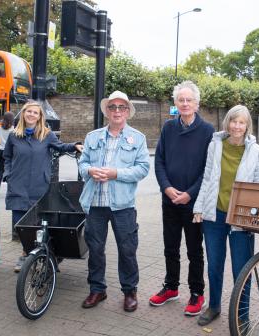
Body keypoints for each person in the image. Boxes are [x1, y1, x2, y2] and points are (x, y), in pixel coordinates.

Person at [192, 105, 259, 326]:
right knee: (214, 264)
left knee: (242, 269)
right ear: (227, 122)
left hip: (241, 218)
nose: (237, 126)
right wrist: (199, 208)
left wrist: (254, 218)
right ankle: (214, 306)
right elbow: (207, 179)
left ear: (247, 126)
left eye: (241, 122)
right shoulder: (215, 145)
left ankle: (242, 315)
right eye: (233, 121)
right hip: (214, 215)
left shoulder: (257, 152)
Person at [78, 90, 149, 313]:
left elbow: (143, 168)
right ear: (107, 111)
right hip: (95, 203)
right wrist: (90, 170)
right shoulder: (93, 136)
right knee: (95, 248)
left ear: (128, 112)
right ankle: (97, 289)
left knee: (127, 249)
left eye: (122, 107)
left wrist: (115, 173)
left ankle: (130, 291)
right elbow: (82, 164)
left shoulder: (138, 138)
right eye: (113, 107)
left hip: (123, 205)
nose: (117, 111)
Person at [149, 81, 214, 316]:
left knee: (195, 250)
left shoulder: (208, 131)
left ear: (197, 103)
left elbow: (208, 169)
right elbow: (159, 161)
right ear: (175, 103)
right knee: (170, 247)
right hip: (170, 200)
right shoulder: (168, 128)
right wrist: (166, 188)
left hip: (194, 203)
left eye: (189, 100)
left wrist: (190, 193)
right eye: (180, 100)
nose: (185, 103)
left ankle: (197, 293)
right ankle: (171, 288)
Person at [3, 100, 83, 270]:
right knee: (21, 225)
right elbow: (7, 157)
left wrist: (75, 146)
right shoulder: (13, 135)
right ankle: (26, 254)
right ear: (23, 114)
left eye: (35, 113)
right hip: (18, 185)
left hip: (40, 186)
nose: (31, 114)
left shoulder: (46, 135)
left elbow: (61, 147)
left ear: (40, 117)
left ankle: (43, 255)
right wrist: (8, 174)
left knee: (40, 224)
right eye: (29, 111)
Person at [0, 112, 15, 197]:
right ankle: (12, 189)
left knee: (1, 170)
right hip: (9, 152)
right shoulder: (13, 129)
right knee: (10, 170)